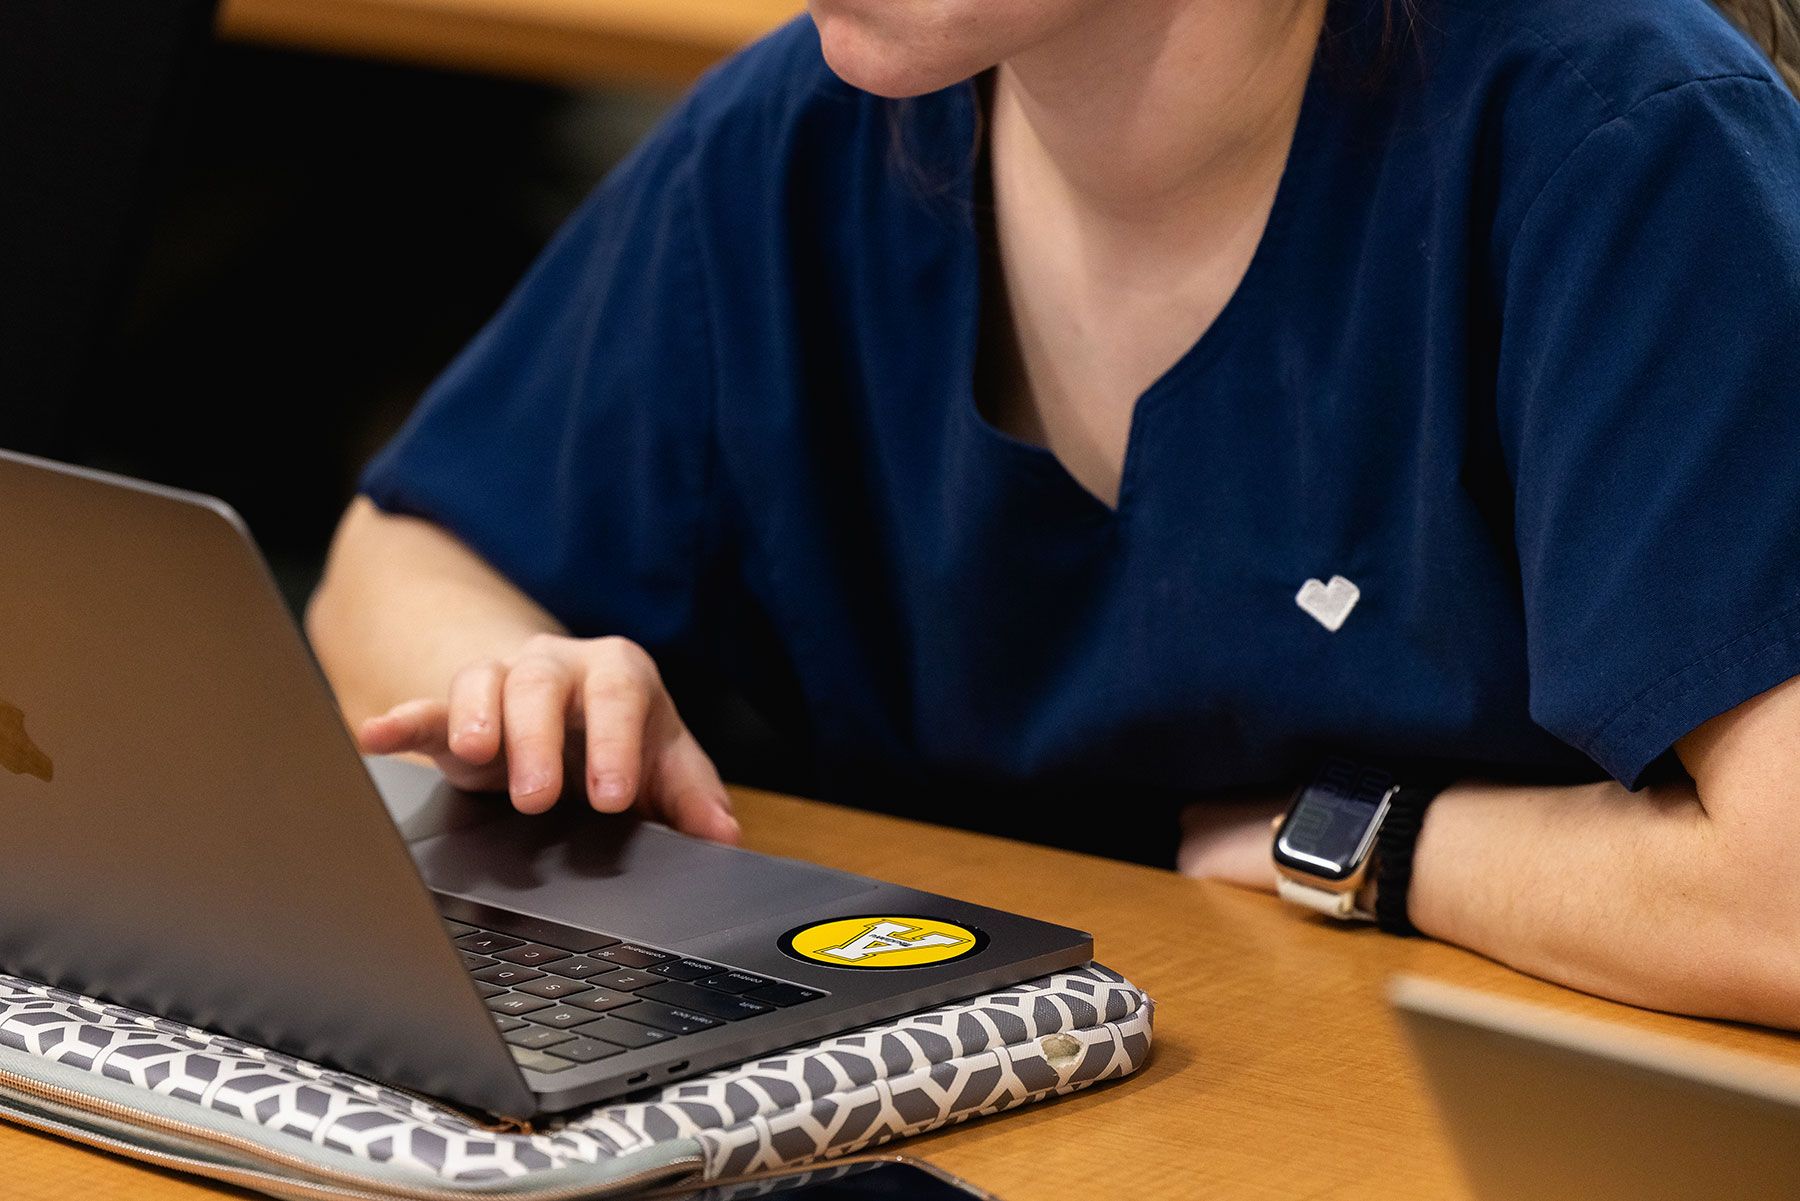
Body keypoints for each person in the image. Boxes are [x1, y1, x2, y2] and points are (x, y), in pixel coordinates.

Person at [306, 0, 1800, 1030]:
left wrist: (1359, 843)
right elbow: (393, 570)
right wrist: (524, 684)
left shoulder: (1618, 134)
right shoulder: (798, 139)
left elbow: (1780, 903)